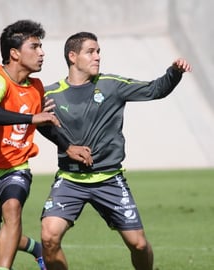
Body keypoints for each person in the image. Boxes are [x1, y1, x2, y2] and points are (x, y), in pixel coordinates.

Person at [38, 31, 192, 270]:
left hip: (109, 179)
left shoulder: (112, 85)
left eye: (98, 51)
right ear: (72, 56)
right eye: (91, 51)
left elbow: (154, 90)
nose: (97, 56)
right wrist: (66, 147)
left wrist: (174, 72)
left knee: (138, 245)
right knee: (49, 238)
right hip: (70, 181)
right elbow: (39, 124)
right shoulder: (49, 94)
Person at [0, 19, 59, 270]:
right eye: (34, 47)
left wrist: (68, 146)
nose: (42, 53)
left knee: (13, 207)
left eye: (41, 47)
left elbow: (40, 123)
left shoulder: (35, 87)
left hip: (15, 167)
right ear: (14, 53)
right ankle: (28, 251)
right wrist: (31, 117)